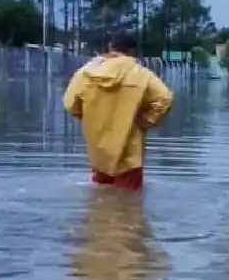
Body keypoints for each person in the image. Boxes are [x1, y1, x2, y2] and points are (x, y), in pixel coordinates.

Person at [63, 32, 173, 190]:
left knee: (101, 201)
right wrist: (145, 121)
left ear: (109, 48)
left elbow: (69, 103)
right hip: (129, 154)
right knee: (130, 204)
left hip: (99, 152)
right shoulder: (142, 74)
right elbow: (165, 98)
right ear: (133, 52)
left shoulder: (86, 73)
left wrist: (89, 118)